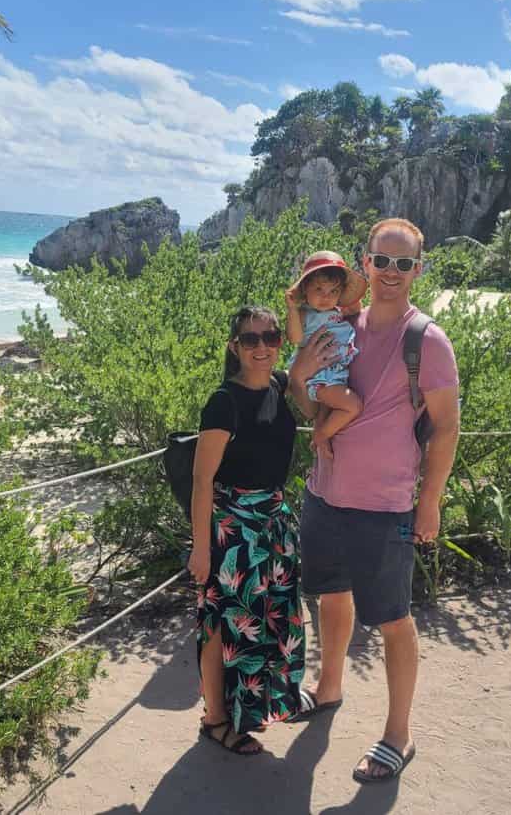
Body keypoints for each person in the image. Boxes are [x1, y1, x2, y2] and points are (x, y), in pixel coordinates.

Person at [288, 218, 461, 783]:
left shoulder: (426, 340)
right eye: (381, 261)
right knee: (331, 596)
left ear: (419, 270)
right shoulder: (342, 326)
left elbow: (446, 428)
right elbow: (312, 406)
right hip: (324, 493)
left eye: (403, 263)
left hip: (385, 505)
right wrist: (299, 379)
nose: (390, 273)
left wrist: (429, 503)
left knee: (392, 619)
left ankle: (398, 734)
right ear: (364, 264)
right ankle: (329, 686)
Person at [188, 305, 304, 756]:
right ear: (234, 346)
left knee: (265, 623)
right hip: (232, 531)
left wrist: (297, 305)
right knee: (221, 626)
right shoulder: (224, 402)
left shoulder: (279, 384)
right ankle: (216, 720)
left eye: (269, 338)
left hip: (273, 524)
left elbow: (312, 345)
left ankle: (248, 713)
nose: (261, 347)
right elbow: (202, 480)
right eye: (250, 339)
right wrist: (201, 549)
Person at [284, 251, 368, 457]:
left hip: (334, 375)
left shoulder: (338, 310)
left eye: (333, 291)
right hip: (320, 376)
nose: (325, 296)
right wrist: (293, 310)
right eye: (319, 289)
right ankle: (321, 436)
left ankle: (323, 434)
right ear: (305, 289)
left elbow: (357, 306)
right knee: (353, 406)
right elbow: (294, 338)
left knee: (327, 410)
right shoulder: (304, 313)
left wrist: (345, 294)